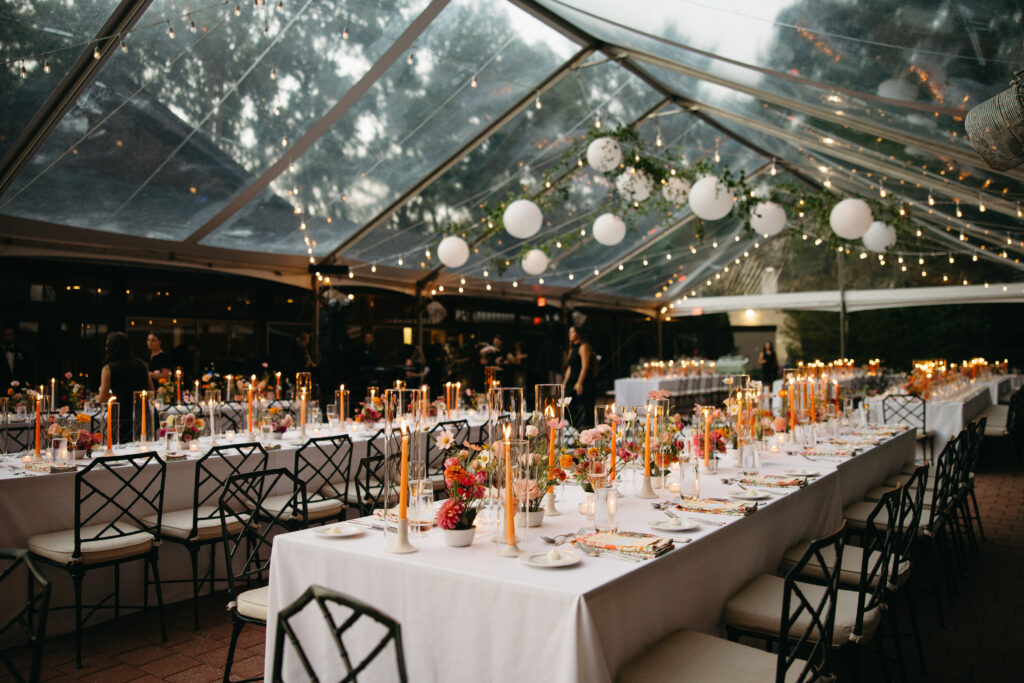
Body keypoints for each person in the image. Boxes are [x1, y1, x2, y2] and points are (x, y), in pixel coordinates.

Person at [97, 332, 153, 443]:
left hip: (120, 419)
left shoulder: (108, 369)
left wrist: (104, 393)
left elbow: (102, 399)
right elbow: (151, 390)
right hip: (143, 419)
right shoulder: (141, 364)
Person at [564, 326, 595, 428]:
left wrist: (579, 382)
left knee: (585, 407)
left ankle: (585, 429)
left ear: (577, 333)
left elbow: (585, 365)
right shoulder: (572, 348)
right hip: (572, 380)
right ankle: (573, 429)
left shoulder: (583, 347)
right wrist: (564, 383)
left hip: (583, 380)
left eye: (572, 332)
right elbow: (570, 367)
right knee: (567, 405)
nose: (570, 334)